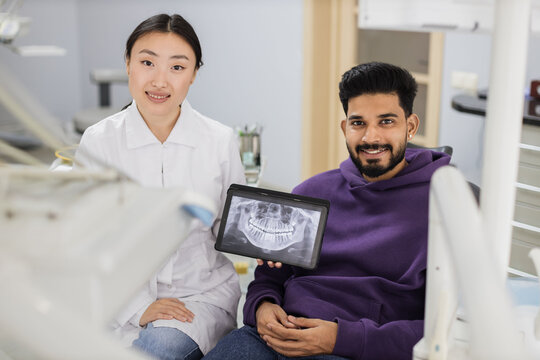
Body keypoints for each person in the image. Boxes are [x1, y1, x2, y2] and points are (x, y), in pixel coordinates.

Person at [203, 62, 451, 360]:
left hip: (357, 350)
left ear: (410, 126)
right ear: (346, 127)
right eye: (359, 123)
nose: (371, 137)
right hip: (269, 338)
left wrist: (342, 339)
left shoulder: (445, 206)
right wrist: (263, 306)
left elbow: (449, 327)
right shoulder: (311, 192)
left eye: (386, 122)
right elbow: (268, 279)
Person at [75, 14, 245, 360]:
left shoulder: (219, 140)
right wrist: (139, 307)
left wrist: (271, 247)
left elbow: (232, 228)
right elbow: (86, 241)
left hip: (198, 297)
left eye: (177, 67)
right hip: (118, 300)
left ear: (194, 73)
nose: (159, 80)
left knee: (157, 351)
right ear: (128, 64)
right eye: (147, 62)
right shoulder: (99, 141)